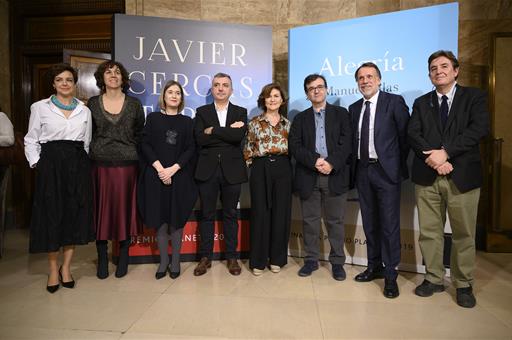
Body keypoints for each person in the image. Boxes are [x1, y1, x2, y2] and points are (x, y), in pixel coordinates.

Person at [407, 50, 489, 308]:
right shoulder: (421, 102)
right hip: (427, 175)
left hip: (462, 175)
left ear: (456, 71)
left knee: (464, 233)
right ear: (429, 74)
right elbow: (413, 134)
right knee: (430, 232)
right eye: (433, 68)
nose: (438, 71)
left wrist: (447, 154)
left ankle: (463, 283)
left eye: (444, 66)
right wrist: (434, 160)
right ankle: (433, 278)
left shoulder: (474, 97)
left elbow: (478, 129)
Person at [24, 63, 94, 293]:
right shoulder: (40, 107)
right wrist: (37, 164)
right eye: (60, 80)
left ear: (74, 84)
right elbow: (31, 139)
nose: (65, 83)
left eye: (69, 80)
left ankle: (67, 268)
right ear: (53, 83)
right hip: (51, 166)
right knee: (51, 215)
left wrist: (81, 165)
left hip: (77, 166)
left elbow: (86, 142)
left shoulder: (84, 110)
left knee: (73, 214)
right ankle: (53, 269)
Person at [348, 62, 410, 298]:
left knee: (389, 224)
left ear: (379, 79)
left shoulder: (394, 102)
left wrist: (392, 163)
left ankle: (391, 275)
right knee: (370, 222)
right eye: (361, 78)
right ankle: (374, 266)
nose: (365, 81)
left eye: (370, 76)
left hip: (386, 172)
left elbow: (405, 138)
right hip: (363, 171)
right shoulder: (354, 108)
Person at [288, 74, 352, 281]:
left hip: (335, 174)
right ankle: (311, 260)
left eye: (319, 87)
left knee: (335, 222)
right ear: (307, 94)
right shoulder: (299, 118)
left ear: (326, 89)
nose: (316, 90)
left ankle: (337, 263)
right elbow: (295, 147)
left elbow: (347, 143)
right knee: (310, 222)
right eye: (311, 88)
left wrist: (331, 162)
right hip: (309, 175)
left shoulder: (341, 114)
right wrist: (316, 161)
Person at [87, 60, 145, 279]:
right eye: (108, 72)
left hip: (128, 167)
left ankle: (124, 258)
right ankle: (102, 258)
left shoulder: (134, 104)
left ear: (123, 78)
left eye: (117, 72)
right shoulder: (92, 103)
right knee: (101, 214)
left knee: (124, 214)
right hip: (100, 166)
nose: (113, 75)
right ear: (102, 78)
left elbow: (140, 133)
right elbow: (87, 133)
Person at [138, 80, 197, 279]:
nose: (174, 95)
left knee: (176, 221)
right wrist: (160, 169)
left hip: (179, 177)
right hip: (156, 175)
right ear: (163, 96)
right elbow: (145, 145)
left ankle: (176, 261)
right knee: (161, 220)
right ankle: (163, 262)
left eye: (177, 93)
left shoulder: (188, 122)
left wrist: (173, 169)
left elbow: (191, 148)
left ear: (181, 98)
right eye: (170, 92)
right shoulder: (153, 118)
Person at [193, 72, 248, 276]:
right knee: (206, 215)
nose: (221, 88)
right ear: (212, 89)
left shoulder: (241, 112)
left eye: (225, 85)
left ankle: (232, 257)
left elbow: (237, 137)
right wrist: (225, 132)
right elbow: (199, 139)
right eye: (217, 85)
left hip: (232, 171)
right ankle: (205, 257)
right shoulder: (201, 111)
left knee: (230, 214)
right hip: (207, 170)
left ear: (231, 90)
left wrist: (213, 130)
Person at [244, 83, 292, 276]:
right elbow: (247, 149)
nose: (272, 99)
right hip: (260, 167)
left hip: (283, 167)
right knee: (260, 213)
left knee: (281, 213)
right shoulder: (254, 123)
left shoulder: (287, 124)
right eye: (268, 96)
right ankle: (257, 260)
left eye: (276, 96)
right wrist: (254, 169)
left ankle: (277, 259)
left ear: (282, 100)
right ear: (263, 100)